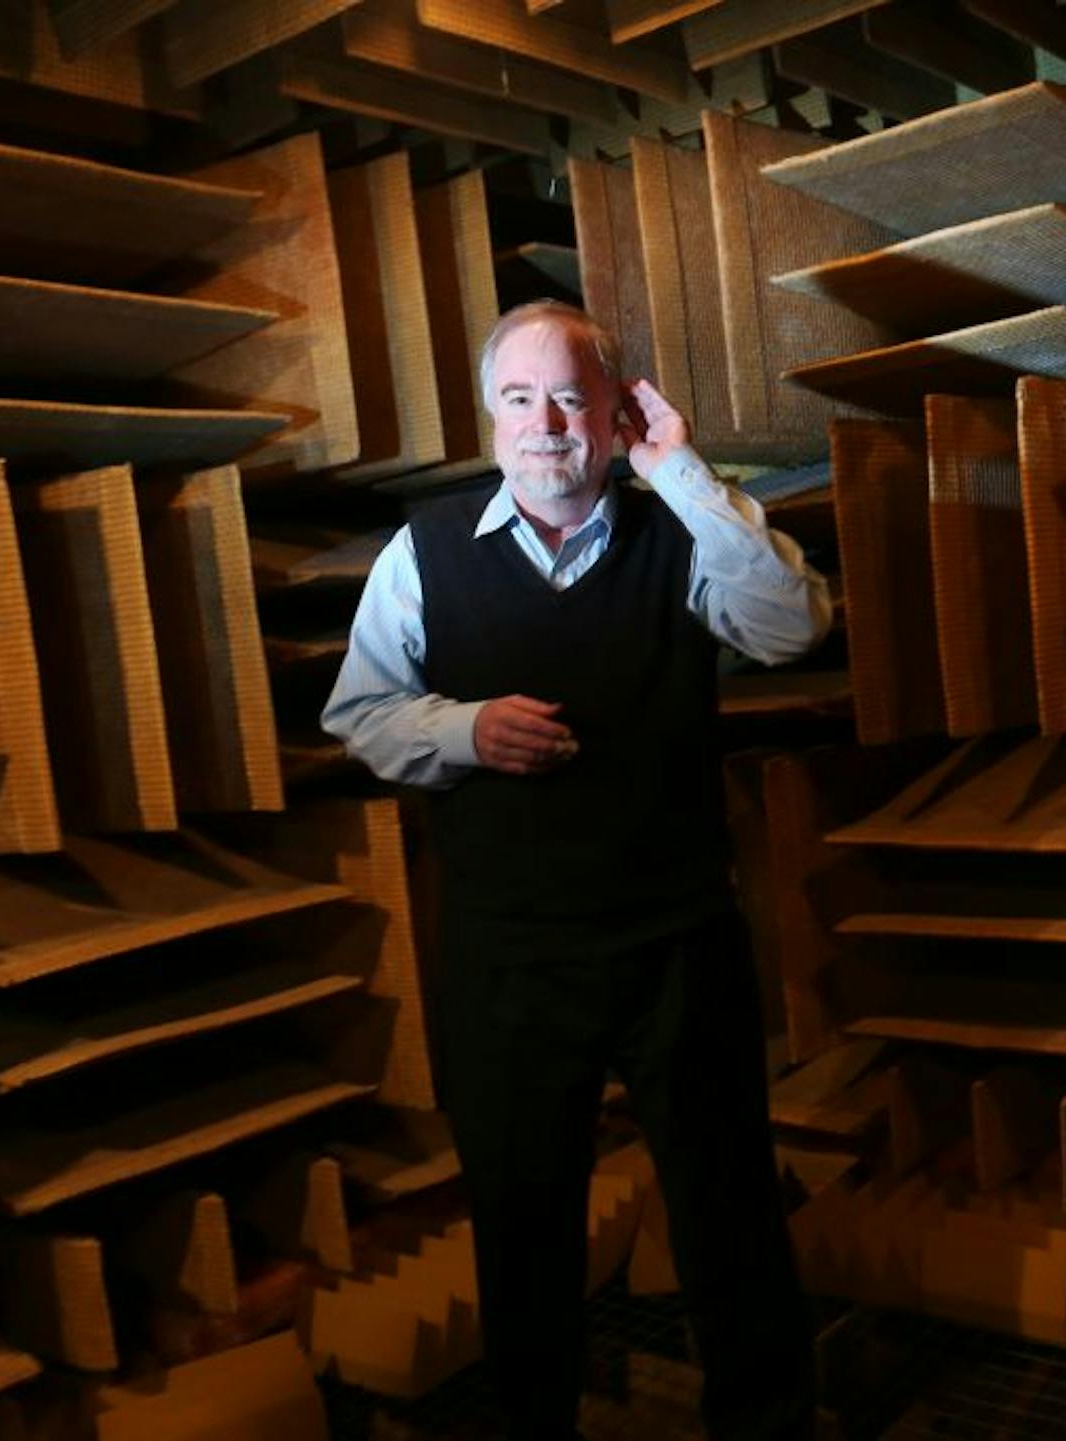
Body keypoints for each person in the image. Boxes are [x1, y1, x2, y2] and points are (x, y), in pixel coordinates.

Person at [322, 299, 829, 1440]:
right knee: (523, 1222)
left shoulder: (678, 536)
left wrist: (687, 473)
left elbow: (792, 626)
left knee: (728, 1213)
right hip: (510, 953)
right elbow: (359, 711)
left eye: (571, 398)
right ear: (490, 414)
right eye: (519, 398)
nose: (545, 423)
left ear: (615, 413)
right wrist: (463, 731)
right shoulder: (427, 551)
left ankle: (768, 1422)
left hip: (677, 939)